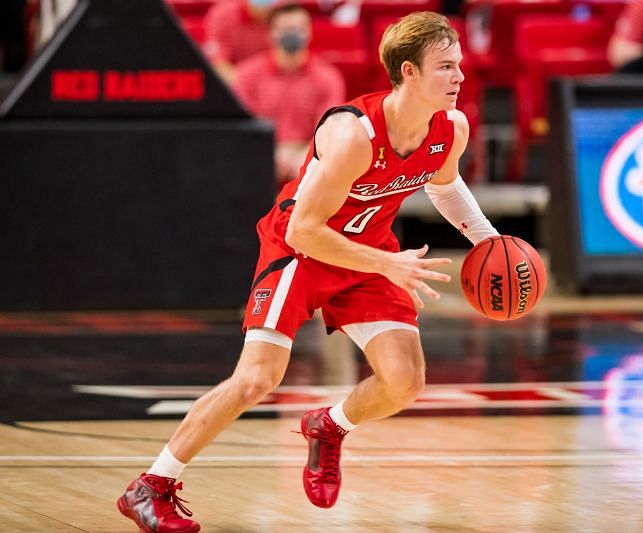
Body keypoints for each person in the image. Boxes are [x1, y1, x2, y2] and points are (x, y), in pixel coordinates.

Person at [117, 11, 500, 533]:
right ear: (408, 72)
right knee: (257, 380)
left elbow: (444, 185)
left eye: (459, 65)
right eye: (445, 66)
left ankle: (328, 426)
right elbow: (303, 229)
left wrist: (490, 242)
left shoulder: (450, 128)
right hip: (300, 252)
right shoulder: (353, 135)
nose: (459, 76)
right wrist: (388, 263)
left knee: (405, 381)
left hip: (367, 253)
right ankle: (151, 485)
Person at [234, 4, 345, 183]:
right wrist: (269, 153)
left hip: (307, 153)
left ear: (310, 32)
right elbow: (243, 126)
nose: (292, 34)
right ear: (270, 33)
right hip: (260, 152)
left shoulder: (327, 77)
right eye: (285, 29)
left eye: (299, 28)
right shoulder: (247, 75)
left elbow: (328, 129)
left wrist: (305, 154)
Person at [203, 0, 275, 85]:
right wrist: (244, 85)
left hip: (274, 85)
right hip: (234, 86)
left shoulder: (287, 14)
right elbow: (219, 64)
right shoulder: (222, 16)